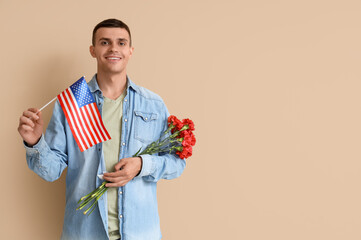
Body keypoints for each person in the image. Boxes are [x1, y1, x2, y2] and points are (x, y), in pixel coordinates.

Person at [17, 18, 186, 240]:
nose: (114, 48)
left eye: (121, 43)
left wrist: (142, 164)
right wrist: (35, 142)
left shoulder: (153, 104)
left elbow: (177, 163)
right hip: (84, 233)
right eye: (105, 42)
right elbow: (51, 171)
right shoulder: (74, 102)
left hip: (141, 233)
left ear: (130, 51)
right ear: (93, 50)